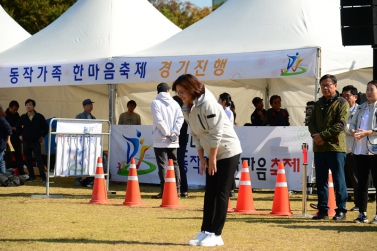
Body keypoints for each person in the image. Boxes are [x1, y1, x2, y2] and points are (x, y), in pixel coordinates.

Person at [172, 74, 242, 247]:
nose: (180, 95)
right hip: (212, 152)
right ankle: (206, 231)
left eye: (182, 92)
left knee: (221, 192)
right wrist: (203, 159)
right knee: (210, 192)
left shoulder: (209, 104)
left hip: (227, 151)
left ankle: (217, 234)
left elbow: (216, 133)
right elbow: (195, 135)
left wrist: (211, 158)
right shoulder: (187, 107)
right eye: (178, 92)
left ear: (191, 89)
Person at [308, 74, 349, 221]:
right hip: (319, 148)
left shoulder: (342, 102)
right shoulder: (317, 104)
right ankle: (322, 209)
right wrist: (315, 136)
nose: (326, 88)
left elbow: (341, 125)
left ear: (335, 86)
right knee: (321, 180)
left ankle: (341, 210)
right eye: (323, 85)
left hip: (336, 147)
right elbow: (310, 122)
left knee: (339, 180)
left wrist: (322, 136)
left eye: (328, 85)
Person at [348, 80, 377, 224]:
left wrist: (367, 132)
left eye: (372, 89)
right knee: (362, 183)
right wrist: (353, 131)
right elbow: (351, 123)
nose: (369, 92)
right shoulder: (361, 107)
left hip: (375, 150)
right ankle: (362, 213)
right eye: (367, 89)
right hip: (360, 149)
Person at [151, 83, 184, 199]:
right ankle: (177, 190)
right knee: (174, 163)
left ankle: (165, 190)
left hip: (160, 138)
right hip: (173, 138)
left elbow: (158, 120)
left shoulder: (155, 103)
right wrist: (174, 133)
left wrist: (167, 133)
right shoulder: (175, 103)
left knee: (162, 165)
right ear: (168, 91)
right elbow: (181, 118)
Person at [16, 99, 49, 183]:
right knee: (28, 160)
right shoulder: (23, 117)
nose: (28, 106)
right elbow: (18, 127)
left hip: (35, 142)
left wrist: (42, 136)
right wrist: (20, 135)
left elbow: (46, 128)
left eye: (30, 105)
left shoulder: (39, 117)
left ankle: (43, 177)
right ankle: (31, 176)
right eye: (26, 105)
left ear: (34, 106)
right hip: (26, 142)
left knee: (39, 159)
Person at [342, 85, 359, 212]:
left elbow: (355, 130)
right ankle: (340, 202)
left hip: (355, 150)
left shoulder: (360, 110)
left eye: (348, 96)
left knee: (356, 178)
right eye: (343, 96)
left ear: (355, 97)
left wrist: (345, 127)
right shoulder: (342, 109)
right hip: (342, 149)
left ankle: (359, 203)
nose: (345, 98)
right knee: (341, 177)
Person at [218, 92, 237, 197]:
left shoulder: (227, 112)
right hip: (224, 140)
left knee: (227, 166)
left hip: (226, 140)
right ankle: (230, 188)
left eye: (219, 100)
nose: (217, 102)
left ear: (224, 101)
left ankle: (231, 188)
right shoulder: (226, 111)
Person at [4, 101, 28, 178]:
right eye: (14, 109)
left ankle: (21, 172)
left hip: (17, 139)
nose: (15, 111)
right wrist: (11, 128)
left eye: (16, 110)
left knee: (19, 157)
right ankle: (9, 174)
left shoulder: (17, 115)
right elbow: (3, 127)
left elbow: (20, 126)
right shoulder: (5, 116)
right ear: (9, 108)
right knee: (9, 158)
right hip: (8, 140)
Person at [75, 99, 96, 187]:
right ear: (84, 106)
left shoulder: (94, 118)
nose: (90, 106)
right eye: (88, 105)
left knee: (90, 160)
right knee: (80, 160)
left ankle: (89, 178)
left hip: (91, 143)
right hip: (81, 142)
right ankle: (78, 178)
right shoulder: (79, 116)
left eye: (91, 104)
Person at [173, 95, 189, 198]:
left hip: (179, 142)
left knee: (178, 165)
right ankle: (181, 189)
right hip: (180, 142)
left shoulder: (180, 114)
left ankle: (182, 189)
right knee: (178, 165)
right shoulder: (182, 113)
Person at [0, 104, 12, 174]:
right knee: (0, 160)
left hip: (1, 143)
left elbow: (9, 129)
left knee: (0, 161)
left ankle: (4, 176)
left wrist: (8, 140)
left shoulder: (1, 119)